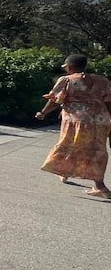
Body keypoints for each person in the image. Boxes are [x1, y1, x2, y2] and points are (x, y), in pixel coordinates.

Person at [36, 54, 111, 199]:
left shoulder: (66, 80)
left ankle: (63, 172)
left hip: (76, 121)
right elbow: (109, 102)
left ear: (70, 66)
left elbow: (54, 100)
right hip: (100, 121)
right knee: (96, 151)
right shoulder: (103, 81)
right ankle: (100, 187)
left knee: (68, 146)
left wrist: (42, 113)